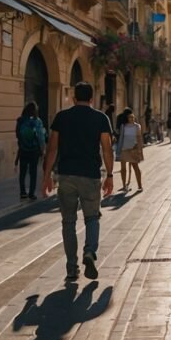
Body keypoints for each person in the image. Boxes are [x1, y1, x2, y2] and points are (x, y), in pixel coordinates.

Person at [42, 82, 114, 282]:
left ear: (74, 98)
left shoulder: (62, 117)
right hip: (90, 176)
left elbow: (52, 148)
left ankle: (72, 268)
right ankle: (89, 251)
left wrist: (46, 176)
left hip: (66, 176)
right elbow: (107, 149)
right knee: (92, 218)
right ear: (92, 99)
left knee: (68, 222)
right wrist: (110, 175)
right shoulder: (101, 118)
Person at [15, 101, 46, 201]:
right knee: (33, 172)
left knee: (22, 172)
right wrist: (42, 149)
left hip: (23, 149)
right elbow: (41, 136)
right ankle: (32, 193)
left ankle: (23, 192)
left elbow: (17, 135)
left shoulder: (20, 120)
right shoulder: (37, 121)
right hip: (34, 150)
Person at [116, 112, 144, 191]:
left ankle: (140, 186)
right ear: (127, 118)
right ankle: (124, 185)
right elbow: (121, 138)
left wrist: (139, 149)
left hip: (133, 149)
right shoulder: (123, 126)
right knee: (123, 168)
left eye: (133, 117)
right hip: (124, 149)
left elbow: (139, 138)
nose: (131, 119)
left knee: (136, 167)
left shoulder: (137, 126)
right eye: (129, 117)